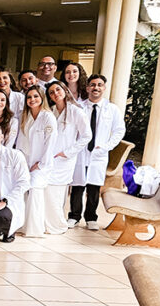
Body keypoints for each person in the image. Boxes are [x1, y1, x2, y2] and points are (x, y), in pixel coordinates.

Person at [69, 75, 125, 230]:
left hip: (99, 153)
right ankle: (73, 216)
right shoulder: (79, 107)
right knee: (77, 185)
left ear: (104, 88)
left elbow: (119, 130)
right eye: (93, 85)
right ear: (87, 88)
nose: (96, 88)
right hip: (81, 153)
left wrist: (107, 146)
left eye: (100, 85)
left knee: (94, 187)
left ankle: (91, 217)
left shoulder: (112, 109)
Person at [46, 82, 91, 235]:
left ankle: (57, 224)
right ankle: (46, 223)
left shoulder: (75, 111)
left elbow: (87, 135)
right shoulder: (50, 111)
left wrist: (68, 152)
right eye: (51, 92)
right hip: (49, 157)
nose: (55, 93)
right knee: (47, 190)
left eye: (58, 89)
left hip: (64, 159)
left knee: (57, 192)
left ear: (65, 90)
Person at [16, 86, 57, 237]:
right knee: (21, 189)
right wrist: (21, 162)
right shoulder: (24, 116)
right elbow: (20, 140)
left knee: (33, 189)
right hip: (25, 162)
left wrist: (40, 164)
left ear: (41, 98)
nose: (32, 100)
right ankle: (21, 224)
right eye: (29, 97)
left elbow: (50, 143)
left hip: (41, 164)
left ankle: (34, 229)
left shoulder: (48, 117)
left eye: (35, 96)